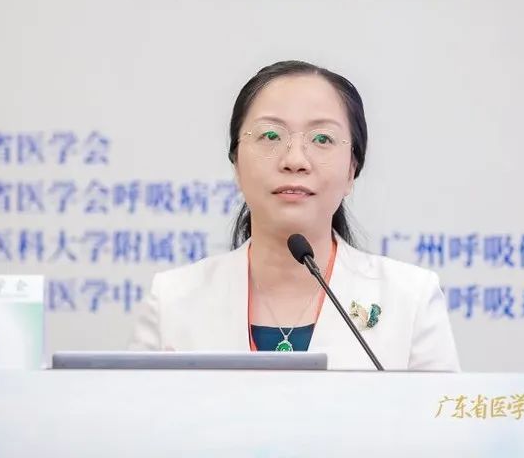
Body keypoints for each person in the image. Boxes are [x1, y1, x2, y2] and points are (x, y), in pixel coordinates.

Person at [129, 60, 460, 371]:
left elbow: (436, 414)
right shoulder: (172, 300)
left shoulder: (411, 299)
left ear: (351, 170)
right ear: (236, 165)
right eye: (271, 136)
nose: (295, 160)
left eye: (322, 139)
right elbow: (135, 412)